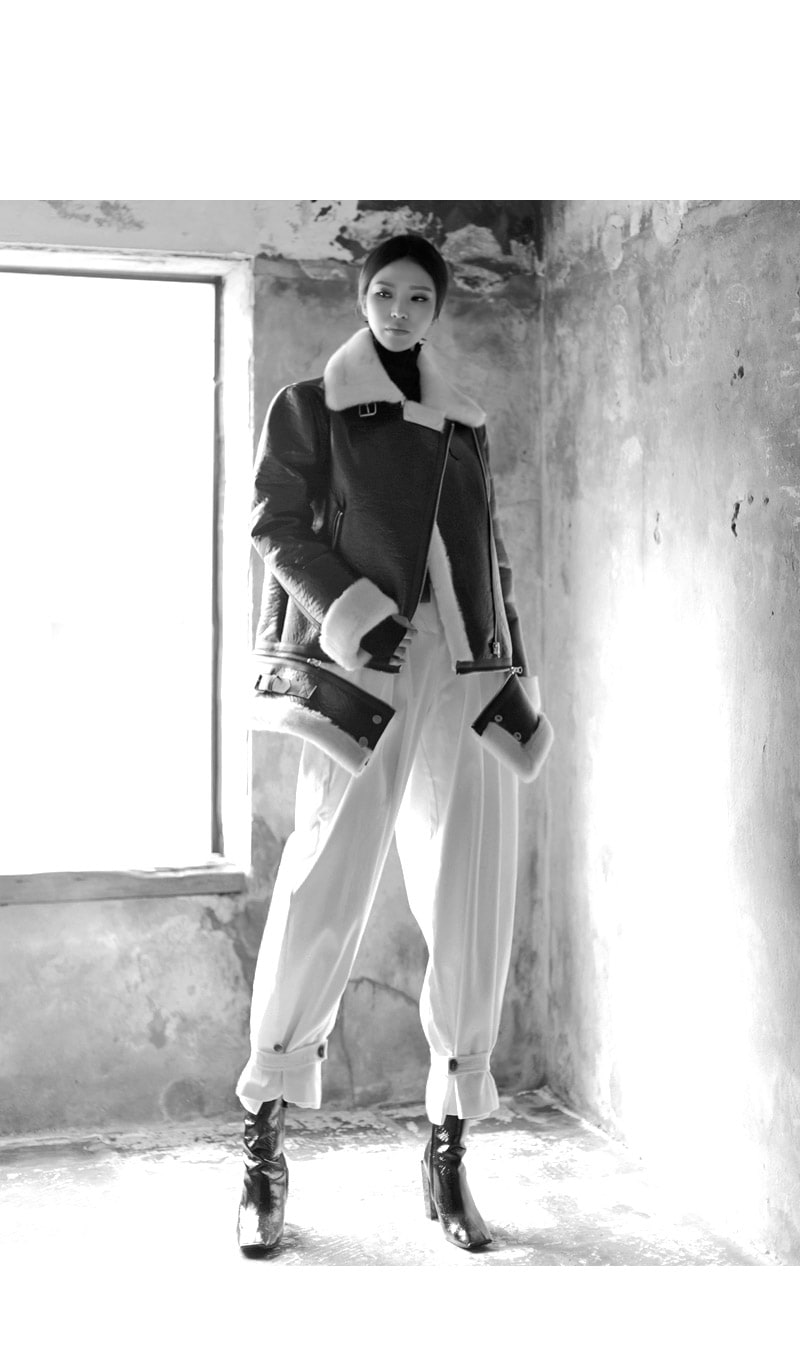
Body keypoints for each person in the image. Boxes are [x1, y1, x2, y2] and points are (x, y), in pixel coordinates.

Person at [236, 233, 554, 1256]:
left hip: (464, 675)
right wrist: (354, 615)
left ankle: (449, 1147)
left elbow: (488, 559)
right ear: (361, 296)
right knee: (322, 882)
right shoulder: (310, 405)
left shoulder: (465, 420)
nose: (401, 311)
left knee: (470, 895)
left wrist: (508, 666)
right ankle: (263, 1143)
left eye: (420, 297)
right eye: (385, 293)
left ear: (436, 307)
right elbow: (275, 526)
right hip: (366, 667)